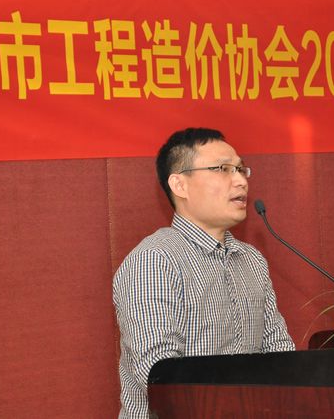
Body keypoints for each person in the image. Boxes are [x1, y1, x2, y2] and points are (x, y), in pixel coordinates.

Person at [113, 128, 295, 418]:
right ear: (180, 185)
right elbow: (161, 376)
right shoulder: (155, 260)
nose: (241, 180)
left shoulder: (252, 260)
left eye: (241, 169)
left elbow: (279, 352)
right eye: (223, 169)